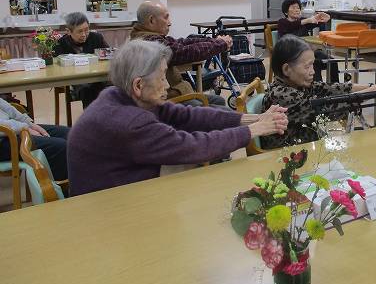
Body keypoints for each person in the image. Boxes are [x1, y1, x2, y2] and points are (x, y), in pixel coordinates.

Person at [67, 40, 288, 196]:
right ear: (138, 85)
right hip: (107, 203)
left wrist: (253, 119)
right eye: (162, 77)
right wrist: (254, 131)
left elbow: (187, 114)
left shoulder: (119, 94)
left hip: (125, 182)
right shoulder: (129, 123)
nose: (167, 85)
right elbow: (193, 146)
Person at [261, 35, 376, 149]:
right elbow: (337, 107)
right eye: (307, 67)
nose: (313, 71)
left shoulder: (296, 85)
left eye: (313, 65)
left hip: (306, 150)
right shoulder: (282, 96)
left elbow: (334, 88)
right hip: (286, 159)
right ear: (287, 69)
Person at [130, 1, 232, 107]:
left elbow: (181, 43)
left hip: (177, 92)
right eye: (166, 17)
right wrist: (220, 44)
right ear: (152, 20)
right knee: (219, 109)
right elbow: (184, 52)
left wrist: (215, 41)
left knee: (218, 101)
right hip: (169, 97)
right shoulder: (150, 42)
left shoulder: (148, 36)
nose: (169, 22)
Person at [0, 97, 68, 181]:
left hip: (14, 128)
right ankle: (59, 187)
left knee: (68, 134)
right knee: (59, 146)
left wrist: (29, 123)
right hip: (3, 138)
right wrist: (25, 128)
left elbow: (5, 106)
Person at [54, 12, 109, 107]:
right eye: (79, 31)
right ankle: (91, 115)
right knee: (87, 89)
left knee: (111, 87)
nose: (84, 34)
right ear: (68, 31)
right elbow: (57, 68)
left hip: (97, 77)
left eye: (87, 30)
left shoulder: (97, 38)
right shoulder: (61, 44)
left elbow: (109, 57)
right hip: (76, 80)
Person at [277, 0, 337, 82]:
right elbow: (293, 25)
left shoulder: (302, 21)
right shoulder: (282, 22)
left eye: (298, 8)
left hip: (308, 52)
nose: (297, 10)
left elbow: (315, 23)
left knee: (332, 61)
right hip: (292, 54)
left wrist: (323, 19)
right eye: (293, 8)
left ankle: (335, 87)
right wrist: (308, 20)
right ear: (286, 12)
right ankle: (316, 87)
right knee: (315, 62)